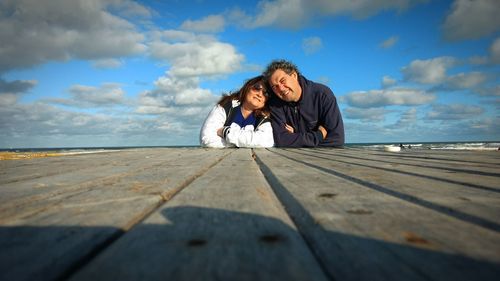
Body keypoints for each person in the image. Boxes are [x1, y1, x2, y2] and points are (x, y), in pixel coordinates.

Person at [262, 59, 345, 147]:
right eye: (275, 87)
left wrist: (295, 137)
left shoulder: (322, 94)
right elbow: (281, 140)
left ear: (294, 75)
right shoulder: (275, 104)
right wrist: (318, 135)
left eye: (283, 81)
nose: (281, 89)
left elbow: (337, 139)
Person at [200, 75, 274, 148]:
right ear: (247, 87)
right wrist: (246, 144)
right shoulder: (226, 106)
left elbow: (266, 141)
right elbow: (206, 139)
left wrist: (225, 132)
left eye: (266, 93)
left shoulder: (263, 117)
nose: (260, 94)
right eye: (257, 88)